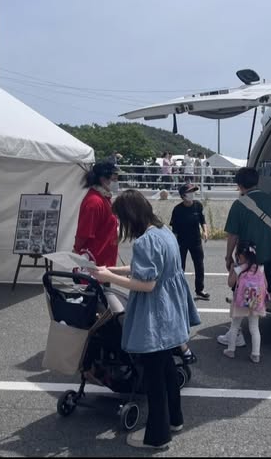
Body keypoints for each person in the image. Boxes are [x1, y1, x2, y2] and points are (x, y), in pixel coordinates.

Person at [90, 190, 200, 451]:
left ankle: (157, 436)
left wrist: (108, 278)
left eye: (120, 219)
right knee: (167, 369)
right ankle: (174, 420)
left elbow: (147, 283)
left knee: (154, 377)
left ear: (130, 216)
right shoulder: (163, 233)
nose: (120, 225)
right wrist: (111, 269)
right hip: (171, 312)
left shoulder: (144, 242)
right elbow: (146, 268)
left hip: (155, 315)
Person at [219, 167, 271, 355]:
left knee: (239, 295)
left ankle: (236, 334)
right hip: (270, 257)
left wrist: (228, 256)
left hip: (247, 260)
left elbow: (232, 235)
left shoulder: (239, 204)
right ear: (257, 181)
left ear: (239, 185)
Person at [223, 241, 267, 363]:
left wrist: (232, 270)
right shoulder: (260, 268)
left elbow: (230, 283)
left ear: (242, 256)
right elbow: (265, 285)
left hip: (240, 303)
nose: (238, 259)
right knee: (254, 328)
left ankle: (231, 350)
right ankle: (256, 354)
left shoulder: (239, 269)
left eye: (238, 256)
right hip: (255, 302)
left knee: (235, 326)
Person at [73, 161, 120, 269]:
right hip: (93, 262)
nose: (116, 182)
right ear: (103, 179)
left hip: (104, 260)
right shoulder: (94, 202)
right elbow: (84, 234)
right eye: (114, 179)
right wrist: (76, 250)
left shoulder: (104, 198)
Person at [170, 183, 211, 300]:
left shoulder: (198, 205)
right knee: (180, 267)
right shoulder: (177, 209)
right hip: (181, 242)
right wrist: (173, 245)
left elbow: (203, 221)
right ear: (183, 195)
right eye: (189, 192)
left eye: (193, 191)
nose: (192, 194)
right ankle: (179, 290)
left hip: (196, 240)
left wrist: (205, 231)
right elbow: (174, 230)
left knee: (199, 265)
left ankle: (200, 290)